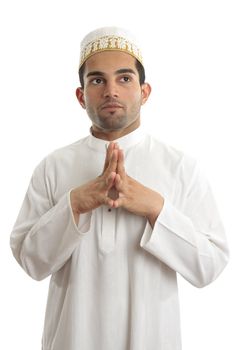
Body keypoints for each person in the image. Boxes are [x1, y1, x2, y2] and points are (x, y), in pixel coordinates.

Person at [10, 27, 229, 350]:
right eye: (97, 80)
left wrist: (156, 208)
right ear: (81, 95)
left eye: (124, 79)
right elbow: (31, 263)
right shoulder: (53, 167)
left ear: (144, 91)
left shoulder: (181, 167)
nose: (111, 90)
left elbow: (209, 266)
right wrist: (76, 203)